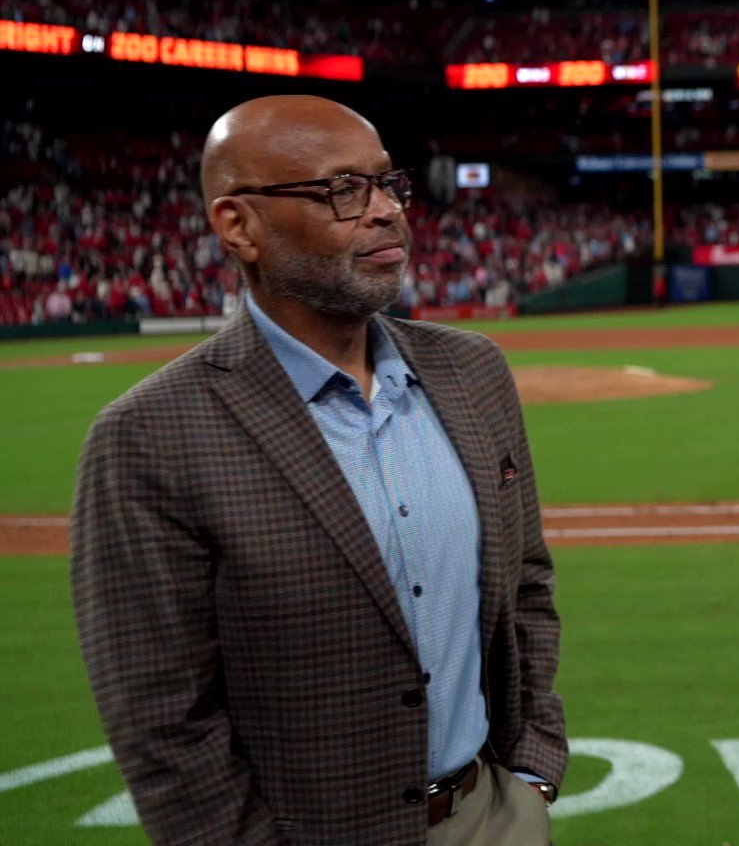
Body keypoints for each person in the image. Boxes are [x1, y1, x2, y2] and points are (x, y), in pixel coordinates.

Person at [71, 95, 565, 845]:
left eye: (387, 184)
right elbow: (162, 716)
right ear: (239, 226)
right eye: (342, 190)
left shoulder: (473, 373)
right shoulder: (149, 435)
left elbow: (525, 583)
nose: (386, 212)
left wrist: (530, 771)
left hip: (493, 815)